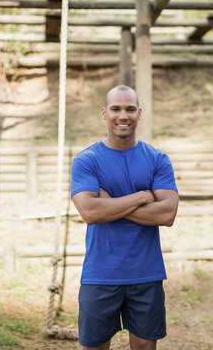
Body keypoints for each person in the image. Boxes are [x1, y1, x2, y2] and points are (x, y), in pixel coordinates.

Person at [70, 85, 179, 350]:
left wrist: (110, 203)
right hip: (100, 273)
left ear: (139, 113)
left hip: (146, 272)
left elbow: (167, 213)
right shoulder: (87, 160)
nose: (123, 115)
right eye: (116, 109)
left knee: (144, 347)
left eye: (130, 109)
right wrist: (143, 197)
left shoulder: (157, 159)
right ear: (104, 113)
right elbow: (90, 212)